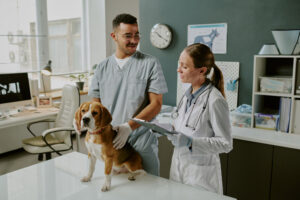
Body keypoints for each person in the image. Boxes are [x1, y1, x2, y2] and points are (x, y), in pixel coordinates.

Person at [88, 13, 168, 176]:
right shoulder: (102, 68)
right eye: (128, 36)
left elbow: (156, 104)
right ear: (114, 36)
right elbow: (95, 107)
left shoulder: (150, 63)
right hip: (111, 143)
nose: (134, 40)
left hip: (141, 140)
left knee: (150, 190)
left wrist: (128, 127)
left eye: (136, 35)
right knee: (118, 191)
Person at [167, 43, 232, 194]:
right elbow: (184, 127)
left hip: (201, 175)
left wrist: (191, 142)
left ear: (202, 70)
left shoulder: (215, 100)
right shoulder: (187, 94)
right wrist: (167, 130)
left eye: (184, 67)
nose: (178, 70)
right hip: (178, 168)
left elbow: (226, 143)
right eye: (179, 64)